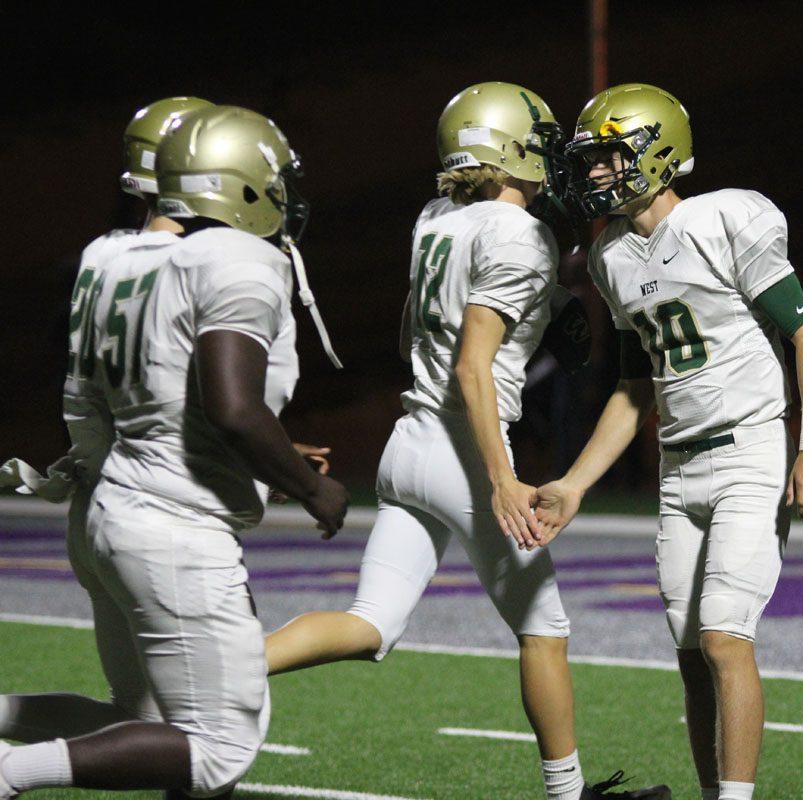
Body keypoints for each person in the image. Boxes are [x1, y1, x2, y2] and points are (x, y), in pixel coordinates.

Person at [262, 82, 666, 800]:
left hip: (407, 442)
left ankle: (224, 665)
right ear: (511, 148)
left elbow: (416, 328)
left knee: (370, 624)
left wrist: (546, 309)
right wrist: (501, 475)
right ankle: (568, 795)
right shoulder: (520, 234)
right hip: (461, 452)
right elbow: (473, 363)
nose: (552, 160)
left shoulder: (436, 215)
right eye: (539, 144)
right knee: (545, 627)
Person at [0, 104, 349, 798]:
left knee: (141, 719)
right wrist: (314, 492)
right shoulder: (234, 257)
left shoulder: (111, 255)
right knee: (216, 751)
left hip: (110, 498)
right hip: (171, 526)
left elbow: (106, 405)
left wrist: (259, 454)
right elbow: (233, 409)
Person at [535, 83, 803, 800]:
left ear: (656, 151)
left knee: (727, 637)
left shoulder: (723, 220)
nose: (598, 172)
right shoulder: (611, 256)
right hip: (679, 467)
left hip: (750, 451)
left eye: (610, 156)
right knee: (692, 654)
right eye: (593, 160)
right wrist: (575, 482)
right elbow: (636, 387)